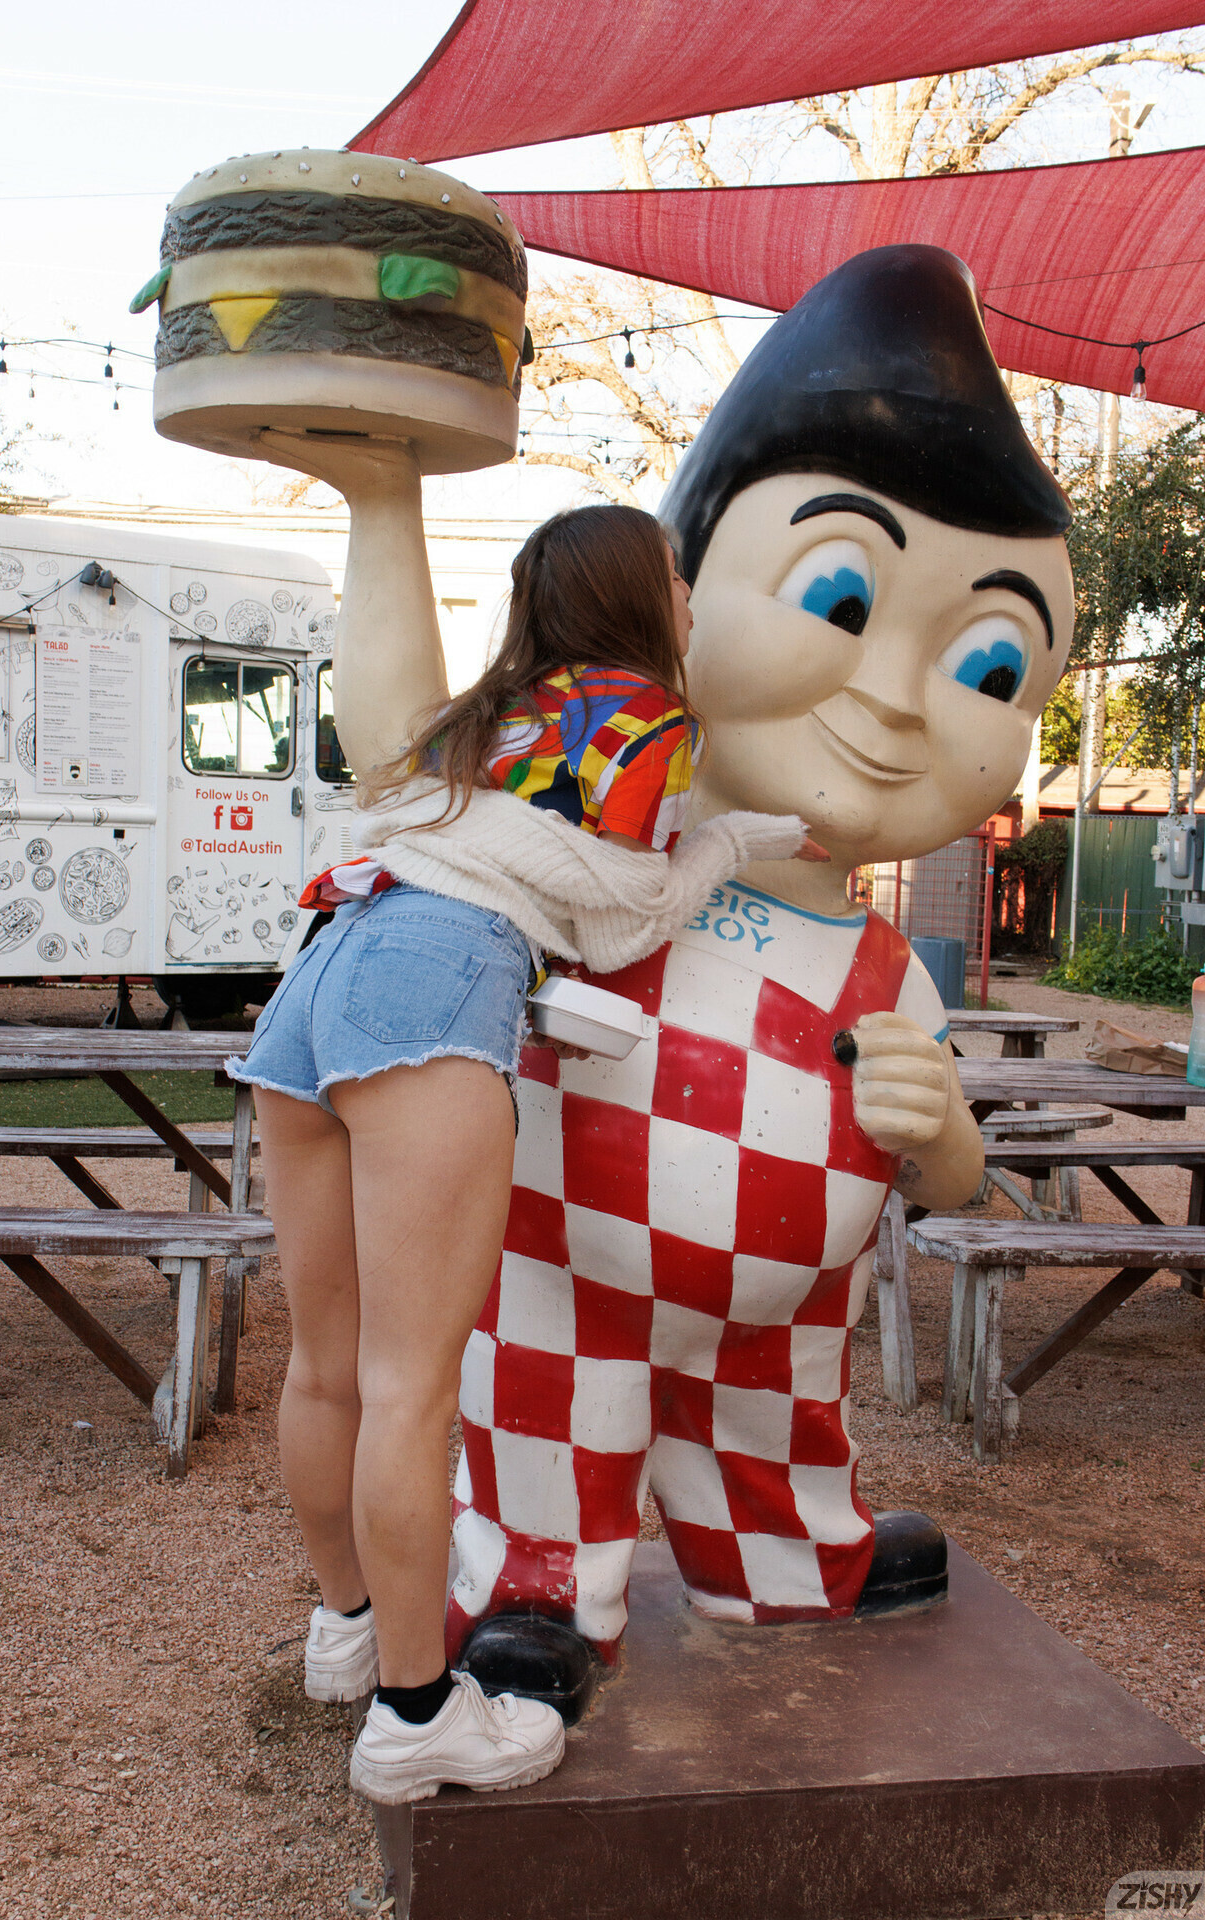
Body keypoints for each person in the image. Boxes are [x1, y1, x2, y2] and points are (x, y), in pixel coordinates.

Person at [226, 494, 825, 1806]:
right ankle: (414, 1717)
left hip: (319, 973)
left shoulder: (479, 713)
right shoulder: (641, 713)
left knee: (326, 1369)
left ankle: (347, 1630)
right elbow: (624, 916)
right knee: (411, 1389)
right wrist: (739, 840)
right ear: (634, 594)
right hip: (433, 981)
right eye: (674, 573)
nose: (686, 593)